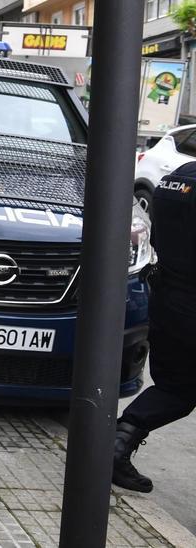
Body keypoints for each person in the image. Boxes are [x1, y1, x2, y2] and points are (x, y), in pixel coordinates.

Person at [113, 162, 196, 493]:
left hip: (169, 300)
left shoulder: (178, 177)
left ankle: (116, 446)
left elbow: (158, 235)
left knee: (175, 389)